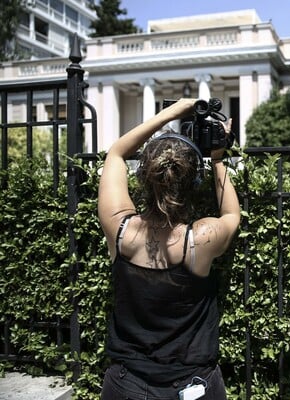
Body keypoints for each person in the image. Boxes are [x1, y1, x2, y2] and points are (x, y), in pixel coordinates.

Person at [98, 98, 240, 400]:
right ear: (193, 183)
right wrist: (217, 159)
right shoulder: (200, 239)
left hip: (126, 384)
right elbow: (231, 216)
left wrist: (174, 111)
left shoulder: (120, 230)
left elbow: (116, 153)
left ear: (144, 179)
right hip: (192, 385)